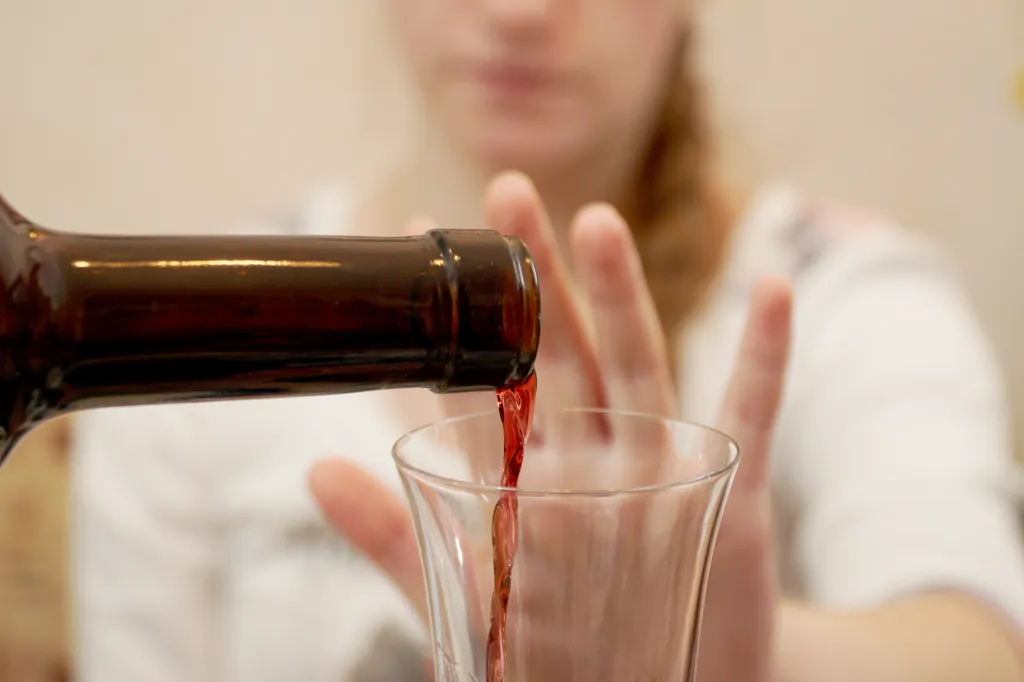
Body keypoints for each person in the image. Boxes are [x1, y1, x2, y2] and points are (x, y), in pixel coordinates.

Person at [72, 1, 1024, 680]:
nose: (523, 11)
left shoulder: (841, 294)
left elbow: (978, 646)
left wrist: (741, 655)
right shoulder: (195, 316)